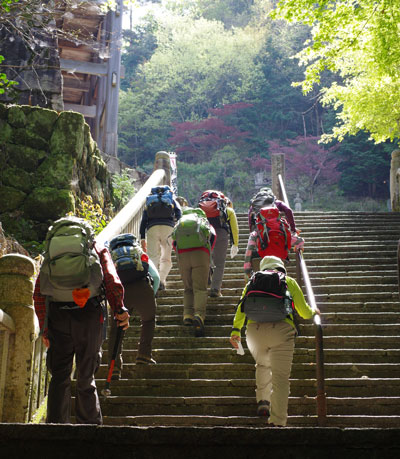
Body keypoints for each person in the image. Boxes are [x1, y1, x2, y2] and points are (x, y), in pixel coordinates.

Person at [33, 217, 129, 425]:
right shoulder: (95, 247)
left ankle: (55, 428)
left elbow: (39, 292)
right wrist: (119, 308)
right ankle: (89, 428)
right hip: (88, 315)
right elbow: (111, 278)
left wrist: (45, 327)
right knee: (86, 375)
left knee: (60, 376)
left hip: (58, 314)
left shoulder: (52, 253)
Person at [229, 255, 319, 427]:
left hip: (255, 331)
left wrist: (235, 330)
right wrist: (314, 312)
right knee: (280, 378)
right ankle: (277, 420)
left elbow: (242, 307)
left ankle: (263, 401)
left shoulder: (252, 281)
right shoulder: (289, 281)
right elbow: (303, 311)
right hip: (281, 330)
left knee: (262, 365)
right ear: (281, 266)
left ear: (263, 267)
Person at [107, 248, 160, 377]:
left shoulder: (111, 257)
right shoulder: (138, 253)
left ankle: (114, 367)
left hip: (120, 292)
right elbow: (156, 277)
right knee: (148, 320)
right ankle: (143, 355)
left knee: (116, 328)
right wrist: (151, 295)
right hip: (142, 287)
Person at [172, 207, 216, 337]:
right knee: (200, 288)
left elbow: (174, 242)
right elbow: (213, 236)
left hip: (183, 257)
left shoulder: (180, 223)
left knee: (188, 288)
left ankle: (187, 315)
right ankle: (199, 315)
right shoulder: (203, 221)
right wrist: (207, 251)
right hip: (201, 254)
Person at [140, 185, 182, 291]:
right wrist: (176, 225)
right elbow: (179, 213)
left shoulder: (150, 201)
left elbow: (144, 220)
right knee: (166, 258)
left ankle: (154, 281)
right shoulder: (170, 198)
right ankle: (162, 281)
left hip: (152, 229)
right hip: (168, 229)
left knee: (153, 256)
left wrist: (142, 238)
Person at [198, 190, 239, 298]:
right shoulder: (228, 210)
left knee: (205, 259)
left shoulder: (201, 208)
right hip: (221, 233)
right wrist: (235, 244)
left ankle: (204, 282)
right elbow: (234, 229)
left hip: (204, 232)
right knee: (219, 263)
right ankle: (215, 289)